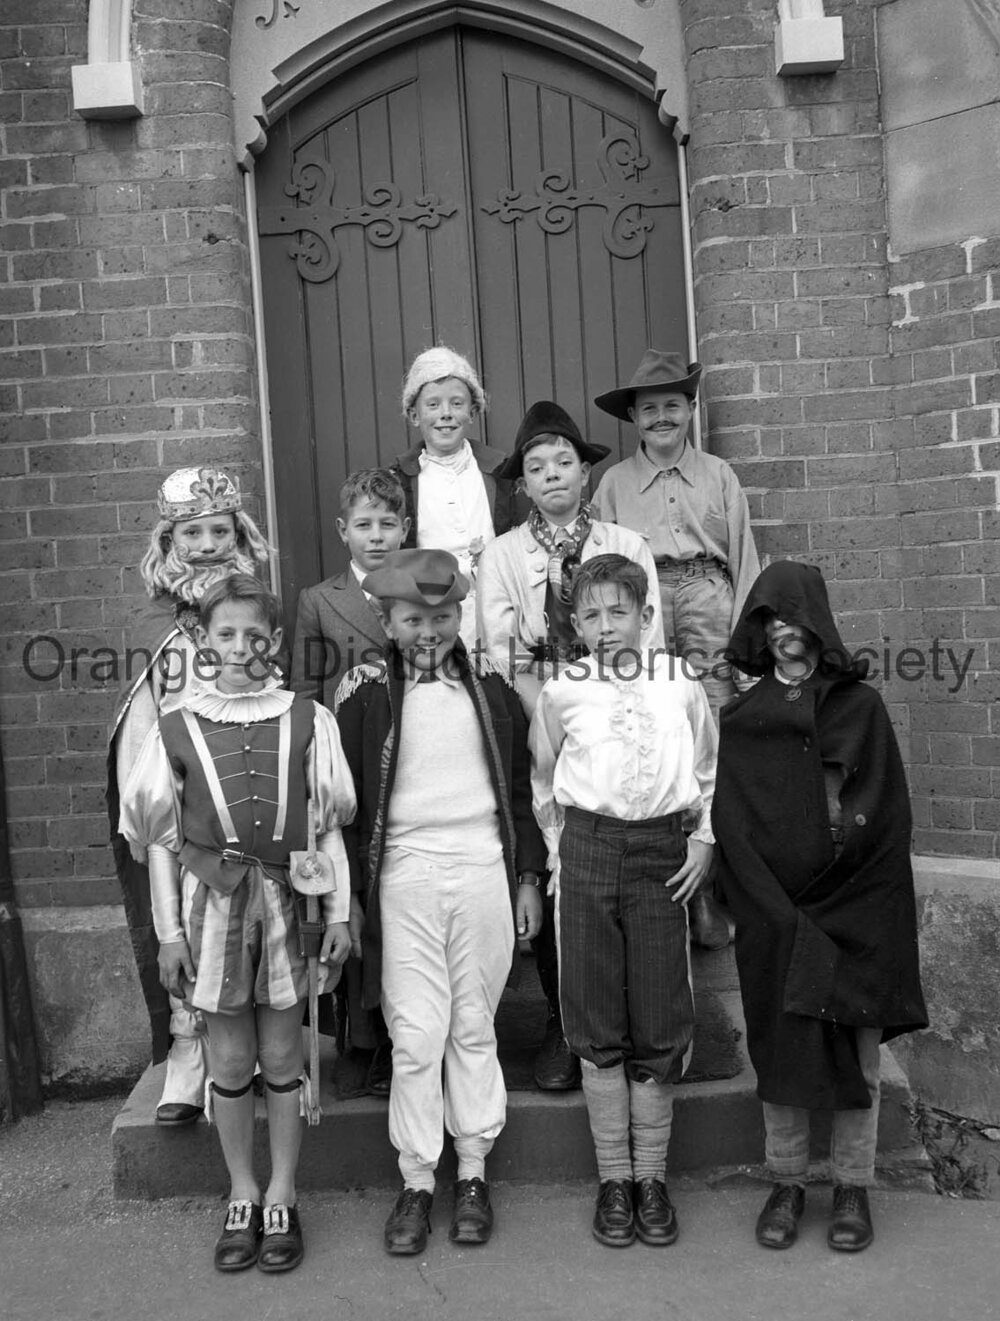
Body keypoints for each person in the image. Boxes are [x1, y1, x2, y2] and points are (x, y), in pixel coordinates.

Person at [120, 575, 356, 1273]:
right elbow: (160, 841)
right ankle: (242, 1191)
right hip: (211, 911)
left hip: (285, 907)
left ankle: (284, 1187)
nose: (240, 646)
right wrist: (168, 933)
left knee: (283, 1057)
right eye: (226, 634)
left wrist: (338, 911)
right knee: (227, 1059)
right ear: (204, 641)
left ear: (274, 641)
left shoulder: (308, 719)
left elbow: (327, 825)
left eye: (255, 634)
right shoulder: (177, 727)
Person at [334, 549, 546, 1255]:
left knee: (472, 1023)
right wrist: (348, 897)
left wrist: (525, 878)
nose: (430, 629)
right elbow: (349, 812)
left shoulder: (489, 688)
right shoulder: (365, 696)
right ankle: (418, 1178)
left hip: (482, 865)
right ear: (387, 621)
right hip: (405, 874)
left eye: (444, 615)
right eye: (413, 617)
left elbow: (519, 789)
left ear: (461, 614)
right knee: (417, 1029)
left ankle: (475, 1172)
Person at [712, 560, 928, 1254]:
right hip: (777, 915)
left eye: (794, 619)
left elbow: (888, 814)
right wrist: (768, 908)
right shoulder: (745, 719)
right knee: (781, 1053)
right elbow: (733, 824)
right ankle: (785, 1181)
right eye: (770, 620)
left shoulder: (859, 707)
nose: (783, 633)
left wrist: (853, 882)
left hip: (857, 910)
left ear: (819, 624)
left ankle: (853, 1187)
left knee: (854, 1053)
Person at [530, 553, 717, 1249]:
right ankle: (614, 1178)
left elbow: (706, 764)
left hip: (662, 857)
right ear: (575, 625)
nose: (606, 626)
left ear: (646, 616)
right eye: (591, 615)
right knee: (594, 1007)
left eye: (619, 612)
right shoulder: (563, 690)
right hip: (588, 850)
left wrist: (703, 837)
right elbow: (544, 778)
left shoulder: (679, 685)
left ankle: (652, 1177)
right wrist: (559, 852)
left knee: (661, 1009)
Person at [476, 399, 664, 1091]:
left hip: (620, 716)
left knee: (627, 849)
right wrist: (549, 716)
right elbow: (503, 654)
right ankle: (565, 1020)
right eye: (536, 466)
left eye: (564, 462)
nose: (552, 474)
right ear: (521, 483)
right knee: (562, 864)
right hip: (545, 717)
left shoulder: (626, 544)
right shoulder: (502, 557)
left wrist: (614, 710)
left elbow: (651, 640)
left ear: (585, 473)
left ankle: (636, 1017)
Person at [107, 465, 271, 1124]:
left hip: (235, 785)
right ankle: (186, 1049)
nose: (206, 542)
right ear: (170, 537)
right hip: (173, 791)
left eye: (218, 529)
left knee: (241, 917)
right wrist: (141, 794)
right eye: (193, 531)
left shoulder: (252, 610)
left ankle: (244, 1048)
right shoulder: (155, 622)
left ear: (237, 532)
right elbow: (138, 714)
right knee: (176, 919)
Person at [592, 348, 761, 950]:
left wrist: (746, 649)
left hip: (709, 599)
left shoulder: (719, 476)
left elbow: (744, 561)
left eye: (672, 405)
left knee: (713, 737)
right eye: (648, 409)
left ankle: (716, 897)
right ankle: (666, 899)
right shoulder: (613, 484)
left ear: (690, 410)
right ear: (634, 419)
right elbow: (599, 566)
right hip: (645, 603)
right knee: (657, 732)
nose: (661, 417)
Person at [290, 468, 410, 1096]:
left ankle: (398, 1037)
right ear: (343, 532)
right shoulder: (319, 600)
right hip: (344, 766)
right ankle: (359, 1040)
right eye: (364, 525)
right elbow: (306, 693)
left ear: (405, 528)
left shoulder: (420, 587)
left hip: (404, 758)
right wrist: (308, 770)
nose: (377, 535)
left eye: (388, 524)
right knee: (349, 891)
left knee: (396, 894)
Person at [393, 345, 515, 651]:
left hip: (498, 617)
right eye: (432, 404)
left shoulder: (500, 472)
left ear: (472, 412)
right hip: (432, 622)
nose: (445, 414)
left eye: (456, 403)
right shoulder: (400, 479)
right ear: (414, 414)